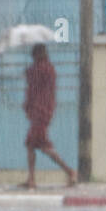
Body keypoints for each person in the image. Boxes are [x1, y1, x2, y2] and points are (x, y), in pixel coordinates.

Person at [23, 43, 76, 189]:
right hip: (41, 110)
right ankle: (31, 178)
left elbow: (35, 86)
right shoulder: (47, 69)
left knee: (42, 146)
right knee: (30, 144)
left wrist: (29, 73)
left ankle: (70, 171)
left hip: (41, 111)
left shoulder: (44, 69)